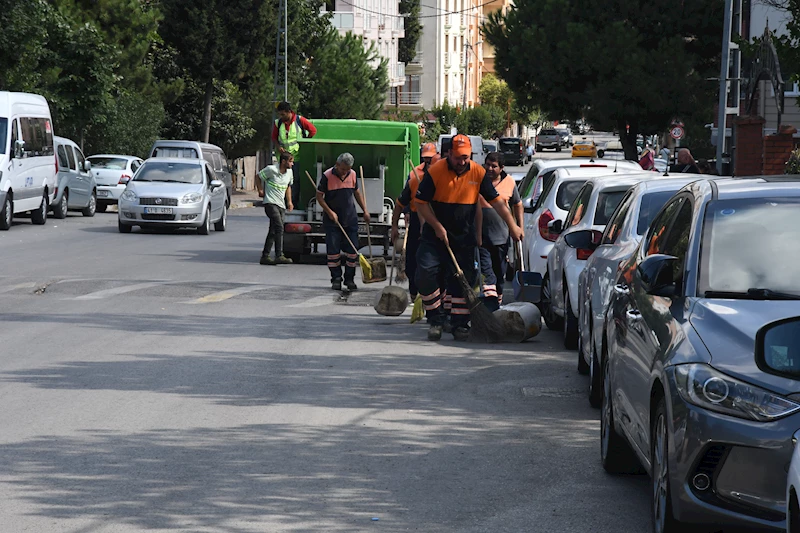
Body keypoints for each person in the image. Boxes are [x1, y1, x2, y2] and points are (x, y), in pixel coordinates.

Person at [415, 134, 524, 342]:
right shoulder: (436, 171)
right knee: (426, 272)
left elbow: (497, 202)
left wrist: (512, 226)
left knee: (464, 279)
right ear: (449, 154)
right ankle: (436, 319)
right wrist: (437, 226)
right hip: (435, 235)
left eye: (466, 157)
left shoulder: (477, 172)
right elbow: (420, 203)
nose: (462, 162)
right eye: (458, 158)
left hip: (464, 236)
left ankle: (459, 324)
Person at [391, 142, 438, 301]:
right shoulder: (414, 176)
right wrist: (396, 224)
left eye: (431, 158)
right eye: (426, 158)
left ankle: (431, 295)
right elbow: (401, 201)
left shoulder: (443, 177)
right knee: (412, 259)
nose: (428, 161)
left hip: (437, 219)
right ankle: (413, 293)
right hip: (416, 217)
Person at [317, 153, 370, 291]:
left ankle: (349, 279)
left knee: (352, 252)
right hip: (332, 221)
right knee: (333, 252)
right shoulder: (327, 176)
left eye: (347, 169)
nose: (345, 172)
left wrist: (365, 210)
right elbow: (319, 197)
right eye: (343, 169)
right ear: (337, 164)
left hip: (350, 218)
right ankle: (336, 279)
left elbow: (357, 193)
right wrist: (330, 212)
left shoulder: (353, 174)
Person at [477, 152, 522, 312]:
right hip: (481, 236)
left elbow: (517, 205)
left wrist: (519, 227)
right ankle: (490, 307)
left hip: (501, 237)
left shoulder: (509, 182)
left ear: (501, 168)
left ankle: (497, 304)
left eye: (494, 166)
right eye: (487, 165)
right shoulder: (478, 180)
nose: (489, 168)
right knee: (487, 273)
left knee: (499, 273)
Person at [271, 101, 317, 206]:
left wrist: (305, 143)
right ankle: (282, 202)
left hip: (296, 158)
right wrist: (278, 147)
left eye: (283, 114)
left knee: (294, 181)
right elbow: (274, 137)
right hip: (283, 158)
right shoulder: (278, 123)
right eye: (280, 114)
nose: (281, 117)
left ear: (289, 112)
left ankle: (293, 203)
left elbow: (313, 130)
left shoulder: (299, 120)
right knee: (282, 180)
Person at [258, 152, 295, 265]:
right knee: (279, 227)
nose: (292, 164)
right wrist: (260, 190)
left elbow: (288, 187)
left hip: (281, 205)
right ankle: (279, 255)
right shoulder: (271, 169)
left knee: (273, 230)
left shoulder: (289, 172)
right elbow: (258, 176)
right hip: (270, 203)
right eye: (290, 161)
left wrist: (289, 201)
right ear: (283, 161)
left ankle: (265, 256)